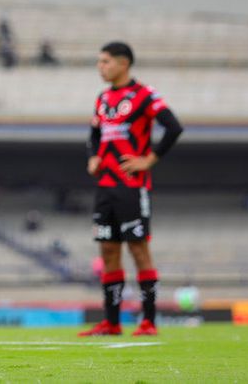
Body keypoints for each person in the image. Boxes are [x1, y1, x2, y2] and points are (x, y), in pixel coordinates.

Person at [78, 41, 184, 337]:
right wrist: (93, 157)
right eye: (99, 62)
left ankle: (148, 321)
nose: (100, 67)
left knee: (139, 250)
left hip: (132, 186)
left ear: (123, 63)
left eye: (105, 62)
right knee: (108, 251)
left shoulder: (144, 95)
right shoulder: (103, 98)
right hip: (105, 187)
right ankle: (111, 322)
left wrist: (149, 159)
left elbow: (174, 127)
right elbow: (94, 133)